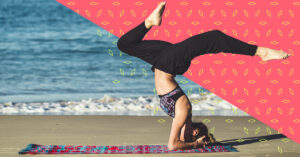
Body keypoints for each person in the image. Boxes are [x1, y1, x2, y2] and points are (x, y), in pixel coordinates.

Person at [117, 1, 290, 150]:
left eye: (191, 136)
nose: (192, 133)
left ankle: (150, 22)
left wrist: (196, 144)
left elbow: (172, 145)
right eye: (196, 133)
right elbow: (175, 144)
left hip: (164, 61)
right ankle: (261, 52)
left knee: (124, 44)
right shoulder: (184, 111)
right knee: (214, 37)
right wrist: (196, 143)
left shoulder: (179, 116)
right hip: (169, 63)